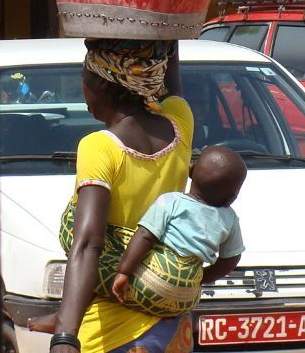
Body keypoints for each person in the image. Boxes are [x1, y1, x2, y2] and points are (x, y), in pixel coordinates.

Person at [31, 39, 196, 353]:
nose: (83, 90)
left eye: (84, 77)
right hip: (172, 329)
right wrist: (168, 31)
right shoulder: (180, 123)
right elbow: (172, 82)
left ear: (103, 85)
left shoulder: (101, 146)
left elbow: (88, 244)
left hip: (111, 333)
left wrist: (66, 337)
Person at [30, 145, 247, 330]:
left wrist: (124, 272)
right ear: (232, 197)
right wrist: (202, 277)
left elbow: (144, 236)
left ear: (190, 170)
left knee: (92, 265)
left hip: (157, 283)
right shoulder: (229, 218)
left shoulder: (171, 202)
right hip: (188, 298)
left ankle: (66, 319)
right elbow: (231, 258)